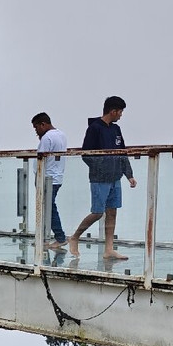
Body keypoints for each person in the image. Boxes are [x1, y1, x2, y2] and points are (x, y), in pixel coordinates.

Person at [67, 96, 136, 260]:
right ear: (113, 111)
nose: (121, 115)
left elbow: (122, 153)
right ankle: (75, 237)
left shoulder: (116, 129)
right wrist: (102, 168)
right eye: (120, 112)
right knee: (98, 212)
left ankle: (109, 249)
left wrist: (129, 175)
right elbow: (86, 154)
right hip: (99, 179)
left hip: (115, 178)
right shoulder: (95, 128)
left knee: (112, 212)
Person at [31, 113, 68, 249]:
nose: (36, 132)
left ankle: (59, 237)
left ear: (43, 124)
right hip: (57, 177)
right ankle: (45, 237)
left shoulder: (47, 138)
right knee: (48, 207)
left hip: (46, 177)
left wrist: (37, 177)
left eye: (36, 128)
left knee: (48, 208)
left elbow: (41, 157)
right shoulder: (61, 135)